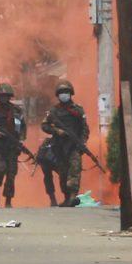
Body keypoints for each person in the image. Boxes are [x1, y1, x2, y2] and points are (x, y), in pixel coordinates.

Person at [40, 79, 89, 207]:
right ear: (58, 95)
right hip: (59, 147)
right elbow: (44, 126)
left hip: (74, 146)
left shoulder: (78, 110)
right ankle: (67, 198)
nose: (64, 95)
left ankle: (72, 196)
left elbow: (85, 129)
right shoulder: (53, 111)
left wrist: (81, 143)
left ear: (71, 93)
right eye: (62, 92)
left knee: (75, 170)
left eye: (66, 92)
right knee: (63, 173)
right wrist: (56, 131)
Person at [35, 136, 66, 207]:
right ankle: (63, 198)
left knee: (49, 178)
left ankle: (54, 200)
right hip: (52, 157)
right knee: (63, 175)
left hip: (46, 157)